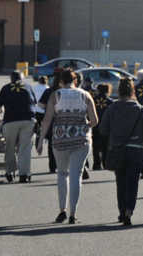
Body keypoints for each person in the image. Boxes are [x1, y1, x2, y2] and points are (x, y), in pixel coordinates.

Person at [39, 67, 98, 224]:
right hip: (81, 139)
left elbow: (46, 120)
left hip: (60, 139)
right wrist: (84, 124)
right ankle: (73, 213)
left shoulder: (55, 95)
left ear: (60, 81)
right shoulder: (85, 95)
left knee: (62, 174)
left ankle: (61, 211)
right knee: (76, 175)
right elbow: (95, 120)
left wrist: (40, 140)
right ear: (75, 81)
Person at [99, 77, 143, 226]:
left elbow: (103, 129)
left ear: (119, 91)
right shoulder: (141, 109)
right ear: (133, 91)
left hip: (117, 149)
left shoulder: (112, 108)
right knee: (133, 182)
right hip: (136, 150)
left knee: (120, 182)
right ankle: (129, 210)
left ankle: (121, 211)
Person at [0, 71, 37, 183]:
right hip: (28, 120)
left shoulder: (5, 88)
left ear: (11, 79)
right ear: (22, 78)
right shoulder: (28, 87)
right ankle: (23, 174)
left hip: (10, 121)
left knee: (9, 147)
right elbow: (34, 103)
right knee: (25, 148)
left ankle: (9, 172)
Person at [38, 72, 62, 173]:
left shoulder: (49, 91)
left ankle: (52, 166)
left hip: (51, 120)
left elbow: (40, 105)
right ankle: (62, 164)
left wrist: (48, 108)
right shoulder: (66, 91)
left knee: (51, 144)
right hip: (64, 120)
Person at [90, 83, 113, 170]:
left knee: (95, 146)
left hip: (95, 126)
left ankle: (96, 164)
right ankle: (105, 163)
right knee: (105, 146)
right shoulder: (110, 102)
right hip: (107, 127)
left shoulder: (93, 100)